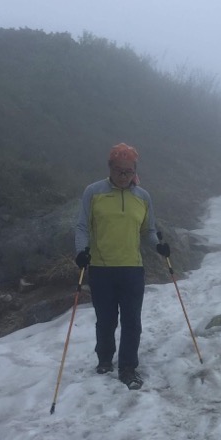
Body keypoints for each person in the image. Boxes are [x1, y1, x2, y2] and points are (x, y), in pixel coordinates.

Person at [74, 143, 170, 390]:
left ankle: (128, 367)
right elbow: (83, 226)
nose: (123, 176)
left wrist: (158, 246)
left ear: (134, 170)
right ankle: (104, 358)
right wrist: (81, 252)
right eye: (119, 171)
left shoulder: (143, 197)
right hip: (101, 268)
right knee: (105, 320)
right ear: (110, 168)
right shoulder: (93, 192)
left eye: (128, 171)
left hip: (132, 269)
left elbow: (148, 230)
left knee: (131, 321)